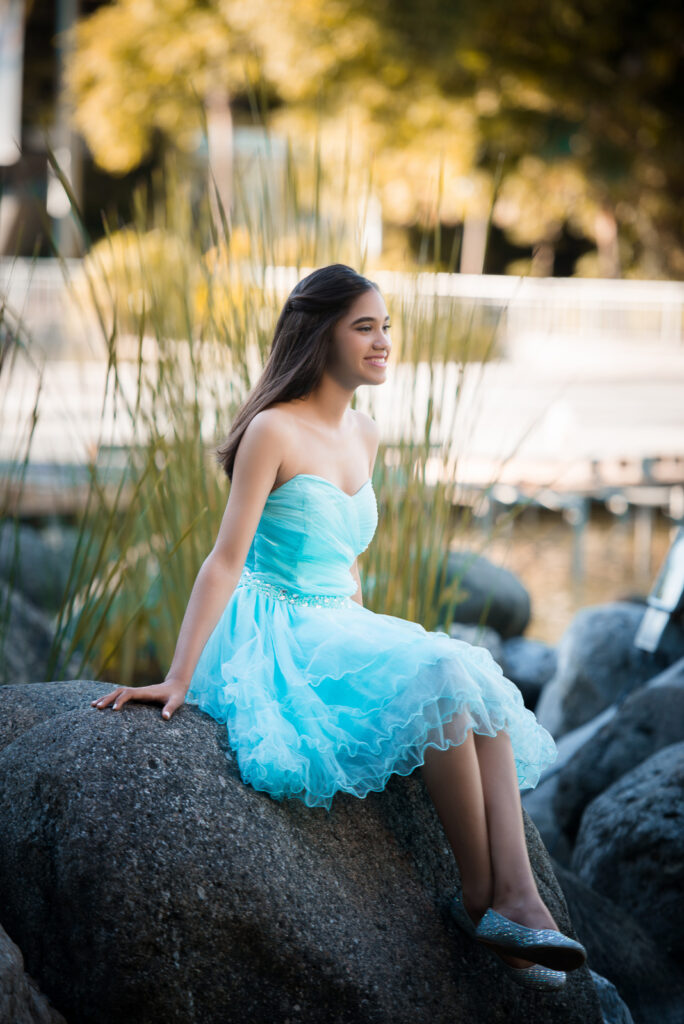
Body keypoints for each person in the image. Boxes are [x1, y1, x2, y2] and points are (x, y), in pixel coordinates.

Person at [91, 263, 586, 990]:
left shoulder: (367, 433)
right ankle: (487, 902)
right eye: (365, 327)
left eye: (386, 326)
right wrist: (178, 674)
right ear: (319, 334)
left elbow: (342, 567)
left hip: (338, 617)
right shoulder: (272, 429)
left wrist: (375, 640)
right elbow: (225, 561)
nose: (383, 341)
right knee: (445, 676)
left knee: (466, 671)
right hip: (275, 628)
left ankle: (519, 901)